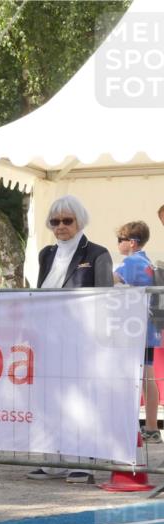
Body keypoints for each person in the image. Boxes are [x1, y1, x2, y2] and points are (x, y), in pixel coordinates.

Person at [28, 195, 112, 482]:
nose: (60, 226)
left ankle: (83, 461)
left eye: (67, 220)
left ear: (79, 221)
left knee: (81, 401)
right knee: (50, 398)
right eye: (55, 221)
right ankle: (53, 461)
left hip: (83, 340)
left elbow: (105, 299)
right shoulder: (46, 254)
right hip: (49, 338)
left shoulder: (98, 254)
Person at [113, 220, 159, 443]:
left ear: (131, 242)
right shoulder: (147, 262)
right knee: (148, 375)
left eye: (120, 240)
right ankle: (151, 427)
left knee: (137, 377)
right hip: (148, 327)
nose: (118, 245)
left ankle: (135, 426)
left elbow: (110, 280)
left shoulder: (130, 262)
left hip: (133, 327)